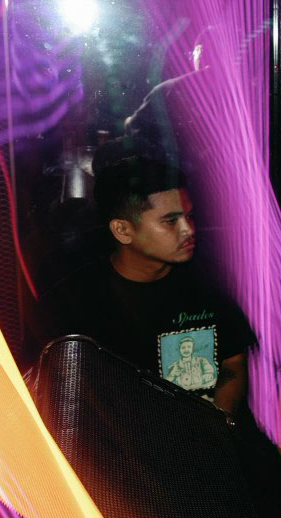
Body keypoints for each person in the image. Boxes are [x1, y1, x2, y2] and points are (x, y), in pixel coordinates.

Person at [34, 154, 252, 416]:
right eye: (170, 221)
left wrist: (218, 424)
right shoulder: (76, 300)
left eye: (190, 216)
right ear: (123, 231)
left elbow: (233, 360)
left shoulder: (210, 280)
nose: (188, 230)